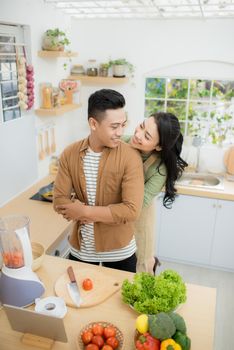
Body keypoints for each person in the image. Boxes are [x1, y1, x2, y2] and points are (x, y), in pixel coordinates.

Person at [53, 89, 144, 273]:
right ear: (93, 124)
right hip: (82, 252)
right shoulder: (69, 154)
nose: (120, 132)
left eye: (123, 125)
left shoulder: (130, 157)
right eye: (114, 126)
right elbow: (59, 201)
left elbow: (131, 210)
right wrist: (81, 210)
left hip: (121, 253)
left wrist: (83, 210)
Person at [122, 112, 187, 274]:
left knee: (141, 264)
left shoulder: (159, 169)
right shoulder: (121, 142)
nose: (137, 135)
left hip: (139, 219)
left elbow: (139, 202)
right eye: (142, 126)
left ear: (158, 147)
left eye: (147, 136)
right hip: (116, 216)